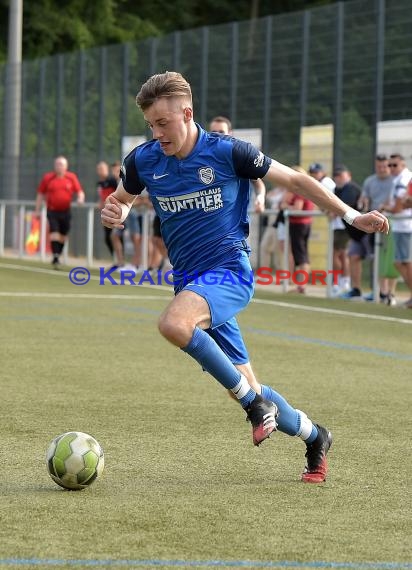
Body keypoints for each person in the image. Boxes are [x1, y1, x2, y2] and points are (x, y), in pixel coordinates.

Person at [101, 71, 388, 483]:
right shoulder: (143, 160)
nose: (157, 132)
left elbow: (296, 179)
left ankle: (254, 408)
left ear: (187, 113)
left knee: (174, 324)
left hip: (228, 273)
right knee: (253, 385)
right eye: (151, 125)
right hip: (191, 285)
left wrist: (352, 215)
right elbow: (123, 199)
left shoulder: (229, 152)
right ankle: (315, 435)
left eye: (163, 123)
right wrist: (119, 212)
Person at [360, 154, 398, 305]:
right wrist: (364, 203)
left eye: (385, 166)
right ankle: (381, 291)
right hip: (373, 224)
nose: (382, 169)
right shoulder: (370, 181)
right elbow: (364, 198)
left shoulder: (395, 181)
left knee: (392, 259)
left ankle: (391, 293)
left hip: (392, 223)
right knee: (376, 257)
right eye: (379, 166)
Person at [35, 156, 85, 268]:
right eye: (57, 164)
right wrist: (37, 210)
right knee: (54, 233)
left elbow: (80, 191)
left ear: (66, 166)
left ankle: (57, 255)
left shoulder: (71, 177)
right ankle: (56, 257)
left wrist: (80, 199)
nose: (59, 166)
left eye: (61, 164)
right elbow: (40, 194)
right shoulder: (48, 178)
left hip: (65, 211)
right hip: (52, 211)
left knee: (63, 236)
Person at [309, 163, 350, 295]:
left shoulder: (326, 182)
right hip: (339, 224)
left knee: (336, 255)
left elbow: (330, 201)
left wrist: (329, 211)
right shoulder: (326, 182)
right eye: (312, 173)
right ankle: (344, 282)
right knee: (342, 255)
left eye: (316, 172)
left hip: (340, 225)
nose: (314, 175)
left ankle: (337, 283)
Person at [381, 154, 412, 308]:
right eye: (390, 165)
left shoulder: (403, 179)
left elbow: (398, 207)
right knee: (401, 262)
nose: (391, 168)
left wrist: (384, 208)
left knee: (403, 262)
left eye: (394, 165)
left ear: (402, 164)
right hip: (401, 225)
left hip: (406, 226)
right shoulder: (399, 179)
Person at [332, 165, 367, 300]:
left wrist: (332, 211)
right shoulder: (337, 189)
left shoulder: (350, 188)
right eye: (336, 175)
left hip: (366, 231)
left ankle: (382, 292)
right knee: (353, 257)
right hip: (355, 232)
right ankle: (355, 289)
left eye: (341, 175)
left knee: (374, 258)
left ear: (349, 175)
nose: (338, 178)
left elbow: (345, 206)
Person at [280, 166, 314, 294]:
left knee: (301, 256)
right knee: (301, 255)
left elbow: (297, 208)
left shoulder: (300, 190)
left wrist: (286, 206)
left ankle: (301, 286)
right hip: (301, 225)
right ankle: (301, 285)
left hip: (299, 225)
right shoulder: (299, 190)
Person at [96, 161, 118, 266]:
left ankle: (119, 261)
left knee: (115, 236)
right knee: (107, 237)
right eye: (99, 169)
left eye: (103, 168)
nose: (101, 171)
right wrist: (100, 202)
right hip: (106, 213)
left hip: (114, 212)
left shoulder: (112, 180)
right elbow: (101, 195)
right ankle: (115, 259)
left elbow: (118, 193)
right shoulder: (99, 183)